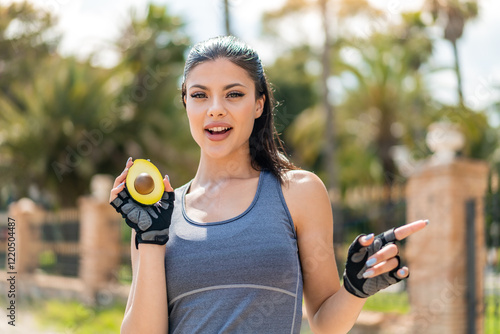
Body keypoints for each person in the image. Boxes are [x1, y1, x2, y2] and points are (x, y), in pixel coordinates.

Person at [109, 36, 427, 334]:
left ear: (259, 104)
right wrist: (150, 239)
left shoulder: (299, 193)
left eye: (234, 94)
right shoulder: (157, 215)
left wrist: (355, 289)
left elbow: (325, 322)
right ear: (186, 104)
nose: (215, 108)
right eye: (199, 95)